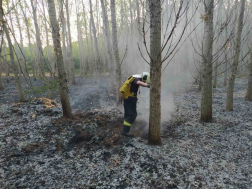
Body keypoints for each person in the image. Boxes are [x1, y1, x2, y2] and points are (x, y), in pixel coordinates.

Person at [121, 72, 151, 137]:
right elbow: (139, 83)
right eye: (145, 81)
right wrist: (148, 85)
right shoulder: (136, 79)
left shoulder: (134, 77)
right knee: (132, 115)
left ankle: (125, 130)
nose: (144, 82)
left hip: (128, 98)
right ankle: (125, 132)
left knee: (128, 114)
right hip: (130, 99)